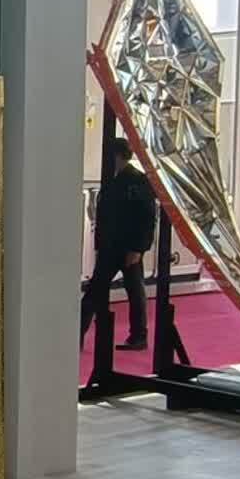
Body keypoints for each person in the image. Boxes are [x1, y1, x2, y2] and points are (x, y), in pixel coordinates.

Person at [82, 137, 158, 351]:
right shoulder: (115, 180)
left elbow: (147, 217)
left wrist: (138, 248)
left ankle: (138, 336)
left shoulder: (136, 181)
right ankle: (137, 335)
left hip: (126, 245)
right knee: (106, 288)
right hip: (112, 244)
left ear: (116, 155)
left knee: (126, 290)